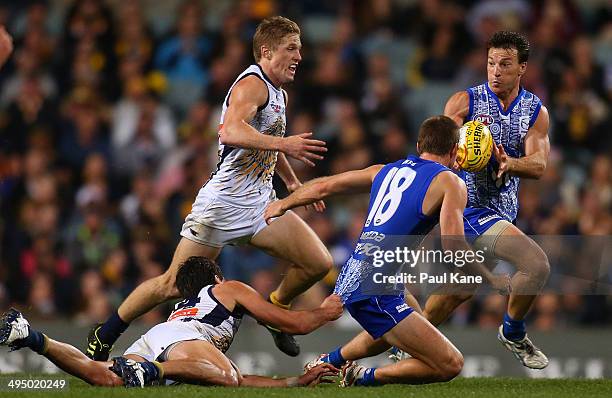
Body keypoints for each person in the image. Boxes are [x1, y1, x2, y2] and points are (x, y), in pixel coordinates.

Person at [87, 16, 333, 360]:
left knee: (317, 264)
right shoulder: (253, 84)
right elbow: (230, 132)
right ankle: (106, 331)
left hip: (260, 204)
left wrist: (291, 181)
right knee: (172, 284)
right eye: (291, 48)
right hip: (222, 206)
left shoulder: (280, 94)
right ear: (266, 51)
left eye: (300, 49)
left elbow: (268, 140)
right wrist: (286, 146)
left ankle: (278, 309)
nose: (299, 56)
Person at [264, 116, 510, 386]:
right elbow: (453, 245)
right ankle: (362, 376)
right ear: (454, 150)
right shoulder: (451, 182)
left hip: (362, 274)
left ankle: (329, 361)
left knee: (408, 323)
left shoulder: (385, 169)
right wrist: (491, 278)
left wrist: (283, 204)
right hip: (376, 286)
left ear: (419, 145)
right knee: (451, 364)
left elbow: (324, 186)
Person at [418, 31, 551, 370]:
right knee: (536, 265)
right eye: (491, 63)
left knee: (457, 290)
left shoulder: (535, 112)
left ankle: (408, 343)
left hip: (503, 211)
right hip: (469, 207)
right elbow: (435, 153)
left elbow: (539, 165)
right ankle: (513, 331)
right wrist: (457, 153)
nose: (495, 71)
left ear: (522, 68)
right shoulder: (465, 102)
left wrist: (510, 163)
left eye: (505, 65)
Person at [1, 256, 342, 388]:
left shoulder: (181, 306)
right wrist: (324, 313)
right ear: (216, 276)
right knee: (226, 377)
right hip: (183, 340)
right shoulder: (229, 289)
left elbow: (241, 378)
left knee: (102, 377)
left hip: (156, 337)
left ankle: (31, 336)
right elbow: (289, 323)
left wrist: (296, 382)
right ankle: (154, 372)